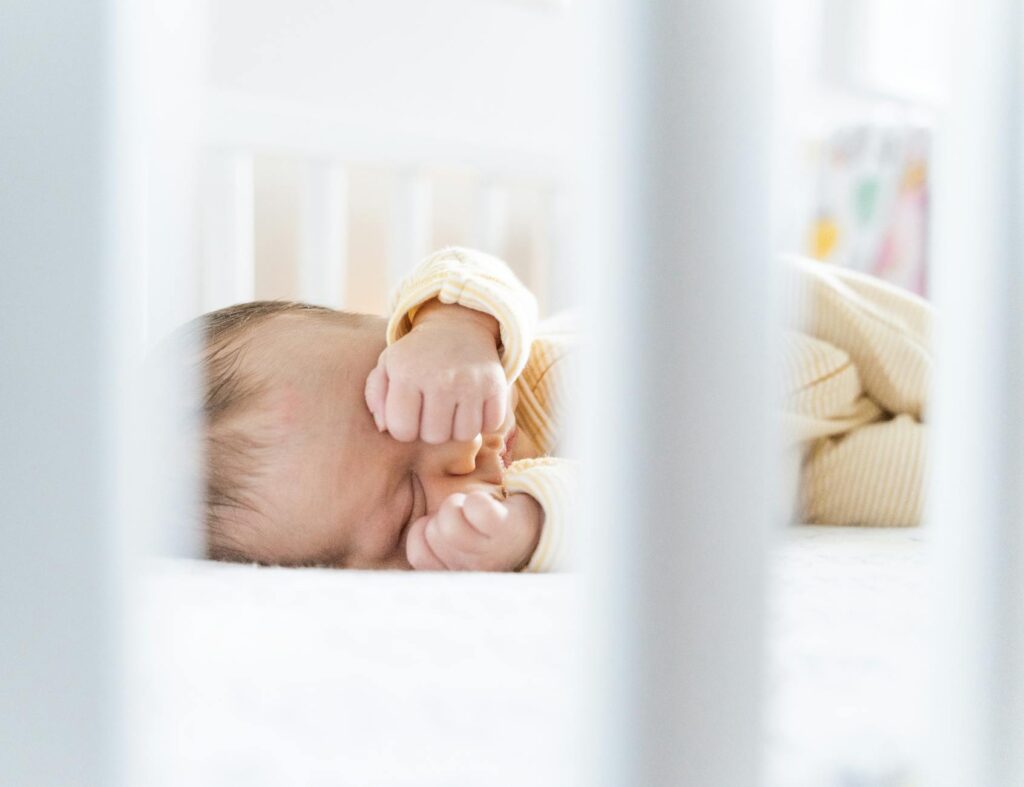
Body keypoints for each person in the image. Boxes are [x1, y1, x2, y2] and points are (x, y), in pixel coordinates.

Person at [197, 247, 931, 572]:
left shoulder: (493, 347)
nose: (455, 441)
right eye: (410, 499)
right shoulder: (513, 515)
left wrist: (452, 329)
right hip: (807, 471)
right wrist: (530, 527)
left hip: (797, 327)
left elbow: (478, 275)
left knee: (957, 367)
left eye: (402, 386)